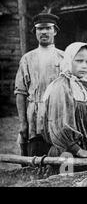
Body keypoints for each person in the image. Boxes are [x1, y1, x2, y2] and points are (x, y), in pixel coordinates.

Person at [14, 13, 64, 157]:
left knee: (58, 157)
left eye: (48, 28)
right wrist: (23, 123)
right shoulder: (27, 59)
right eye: (39, 29)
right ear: (35, 32)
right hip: (34, 119)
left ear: (54, 31)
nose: (44, 32)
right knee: (35, 156)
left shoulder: (64, 57)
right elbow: (20, 92)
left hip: (58, 116)